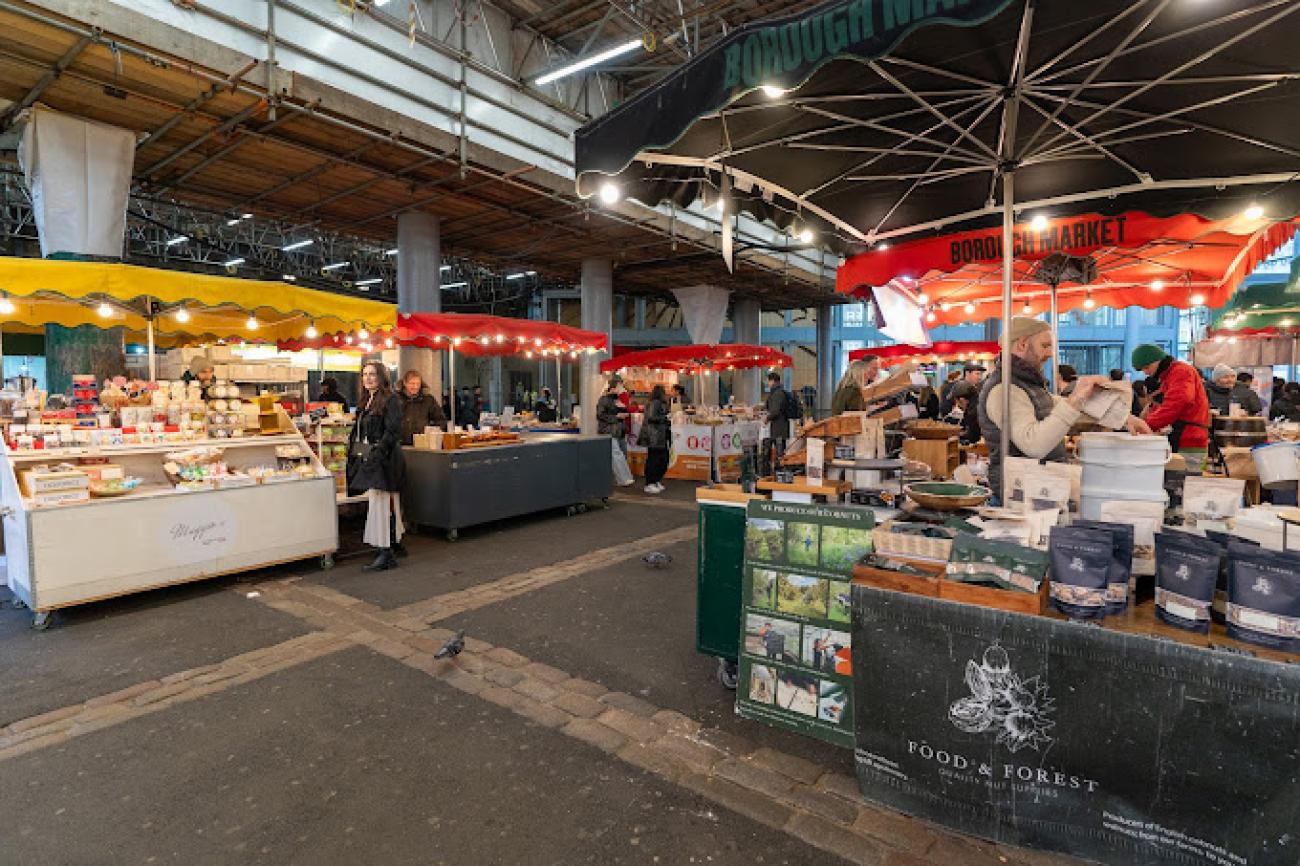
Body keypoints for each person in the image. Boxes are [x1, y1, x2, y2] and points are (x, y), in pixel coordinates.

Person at [979, 317, 1149, 499]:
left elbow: (1059, 407)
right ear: (1022, 345)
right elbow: (1034, 444)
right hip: (1019, 497)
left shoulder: (1028, 384)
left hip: (1038, 490)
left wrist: (1122, 418)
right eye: (1045, 346)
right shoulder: (1004, 389)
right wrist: (1075, 399)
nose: (1051, 353)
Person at [347, 361, 406, 571]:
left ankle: (386, 553)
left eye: (372, 374)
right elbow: (361, 434)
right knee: (378, 504)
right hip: (372, 458)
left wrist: (376, 454)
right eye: (365, 375)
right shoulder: (366, 401)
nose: (368, 378)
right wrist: (358, 455)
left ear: (381, 377)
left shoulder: (391, 400)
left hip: (385, 459)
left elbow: (392, 432)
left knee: (381, 504)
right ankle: (387, 546)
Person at [1133, 344, 1211, 458]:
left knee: (1189, 474)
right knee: (1177, 473)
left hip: (1189, 437)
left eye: (1147, 367)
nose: (1146, 372)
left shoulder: (1181, 371)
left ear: (1158, 360)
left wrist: (1146, 425)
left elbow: (1177, 402)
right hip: (1184, 434)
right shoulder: (1168, 375)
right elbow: (1163, 405)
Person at [396, 370, 446, 444]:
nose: (415, 387)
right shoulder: (395, 399)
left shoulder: (428, 400)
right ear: (405, 383)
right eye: (412, 383)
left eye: (418, 384)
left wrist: (431, 433)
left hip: (422, 444)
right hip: (399, 444)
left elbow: (440, 420)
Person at [640, 383, 671, 494]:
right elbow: (652, 417)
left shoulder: (655, 403)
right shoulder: (655, 403)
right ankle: (650, 482)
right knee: (655, 460)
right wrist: (666, 418)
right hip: (654, 436)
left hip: (658, 435)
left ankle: (655, 480)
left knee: (661, 459)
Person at [763, 371, 794, 475]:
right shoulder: (779, 392)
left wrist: (767, 418)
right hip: (781, 427)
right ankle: (778, 471)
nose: (768, 383)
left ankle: (780, 473)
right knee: (779, 451)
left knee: (779, 452)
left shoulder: (777, 393)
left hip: (778, 428)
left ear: (772, 381)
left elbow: (775, 411)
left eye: (768, 381)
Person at [597, 375, 631, 452]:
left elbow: (626, 412)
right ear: (617, 385)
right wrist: (617, 417)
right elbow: (600, 415)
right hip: (610, 433)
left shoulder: (618, 398)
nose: (623, 388)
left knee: (622, 455)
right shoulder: (604, 399)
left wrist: (625, 410)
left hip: (619, 432)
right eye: (621, 385)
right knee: (616, 457)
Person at [943, 381, 981, 445]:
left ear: (962, 400)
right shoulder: (979, 404)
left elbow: (973, 437)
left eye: (956, 401)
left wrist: (958, 436)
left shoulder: (972, 413)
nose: (956, 404)